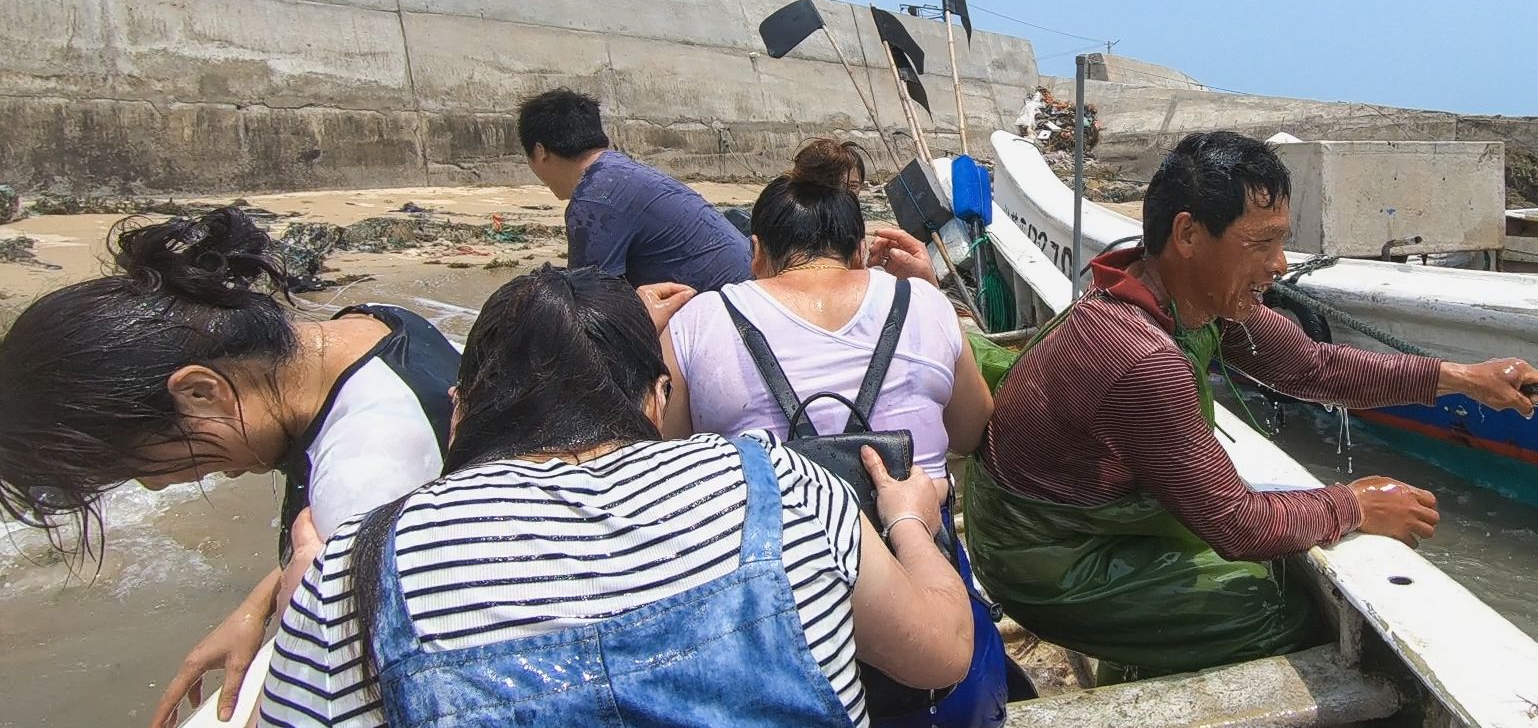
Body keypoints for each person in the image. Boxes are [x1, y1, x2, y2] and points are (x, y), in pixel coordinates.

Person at [261, 265, 974, 726]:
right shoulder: (774, 479)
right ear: (658, 398)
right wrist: (909, 521)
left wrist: (302, 588)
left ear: (459, 407)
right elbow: (940, 654)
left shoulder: (361, 563)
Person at [965, 130, 1538, 678]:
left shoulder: (1176, 294)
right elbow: (1236, 524)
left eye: (1281, 241)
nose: (1279, 266)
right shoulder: (1145, 357)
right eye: (1260, 243)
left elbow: (1312, 366)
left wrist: (1462, 378)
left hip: (1078, 515)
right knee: (1285, 614)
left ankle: (1140, 652)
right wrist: (1353, 505)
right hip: (1047, 560)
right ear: (1189, 236)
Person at [0, 208, 461, 726]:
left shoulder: (369, 466)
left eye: (138, 464)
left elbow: (366, 691)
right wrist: (258, 603)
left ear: (200, 391)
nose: (154, 485)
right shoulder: (370, 324)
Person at [663, 139, 1008, 725]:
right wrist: (928, 293)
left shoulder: (698, 320)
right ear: (858, 251)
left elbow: (667, 461)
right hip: (919, 575)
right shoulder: (922, 301)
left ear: (756, 251)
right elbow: (973, 432)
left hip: (769, 603)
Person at [519, 87, 753, 292]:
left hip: (729, 321)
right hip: (752, 295)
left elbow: (591, 305)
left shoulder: (594, 199)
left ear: (540, 151)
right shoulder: (622, 172)